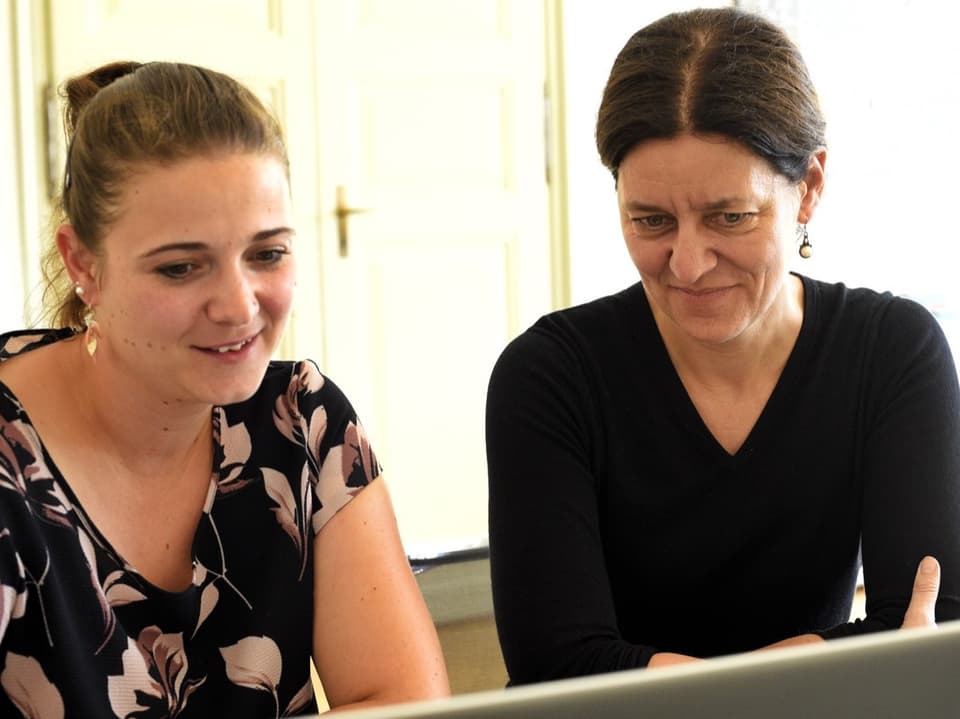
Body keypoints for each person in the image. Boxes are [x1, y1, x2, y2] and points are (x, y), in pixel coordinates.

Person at [486, 7, 960, 685]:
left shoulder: (891, 352)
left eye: (730, 216)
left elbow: (928, 623)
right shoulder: (551, 375)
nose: (687, 263)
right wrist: (827, 665)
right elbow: (556, 663)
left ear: (811, 187)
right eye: (651, 220)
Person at [0, 61, 449, 716]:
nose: (239, 307)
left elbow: (407, 703)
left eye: (267, 253)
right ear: (83, 265)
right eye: (182, 267)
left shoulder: (303, 419)